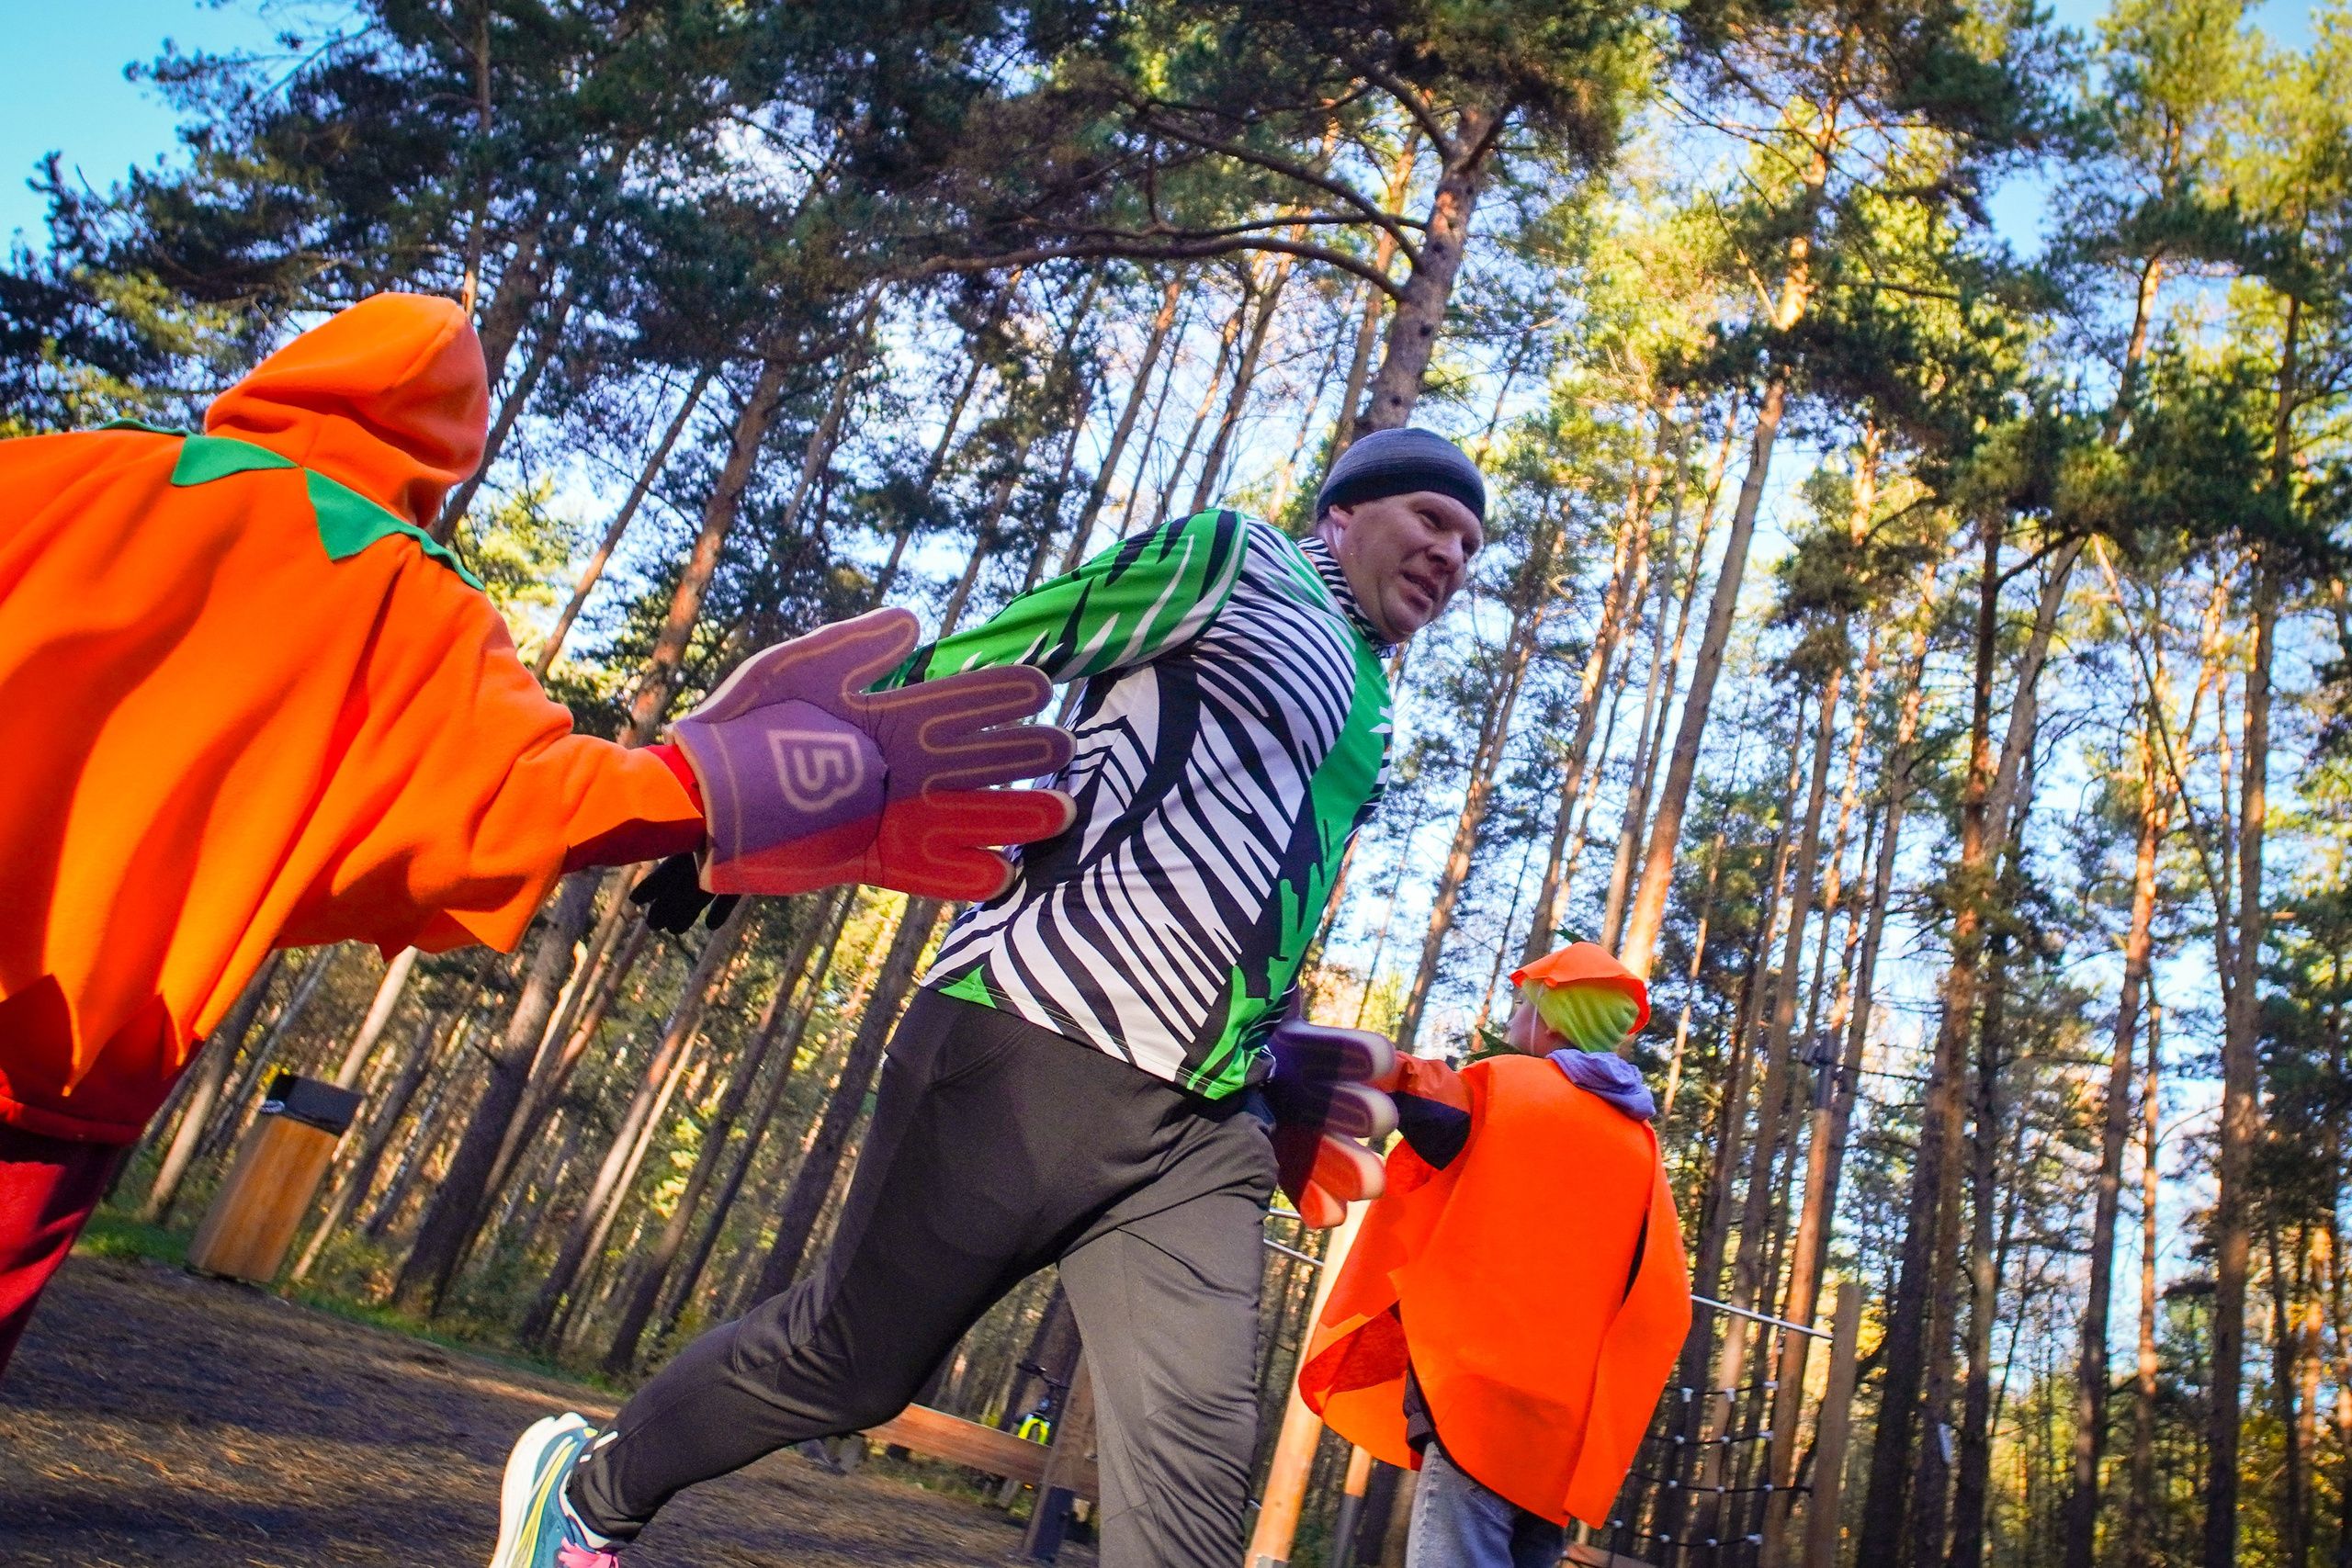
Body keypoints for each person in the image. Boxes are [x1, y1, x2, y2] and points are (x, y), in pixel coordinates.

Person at [0, 293, 1073, 1378]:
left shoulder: (56, 472)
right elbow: (510, 808)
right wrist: (731, 781)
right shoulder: (408, 601)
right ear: (451, 446)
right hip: (52, 1075)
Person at [489, 426, 1490, 1568]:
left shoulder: (1370, 700)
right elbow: (998, 658)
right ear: (1344, 514)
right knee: (846, 1366)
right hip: (1030, 1035)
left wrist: (1272, 1036)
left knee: (1194, 1473)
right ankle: (588, 1499)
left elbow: (1260, 874)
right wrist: (750, 790)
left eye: (1469, 544)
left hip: (1203, 1124)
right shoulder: (1231, 560)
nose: (1451, 555)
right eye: (1430, 520)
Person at [1297, 943, 1691, 1568]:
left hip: (1477, 1402)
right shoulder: (1641, 1148)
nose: (1511, 1019)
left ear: (1555, 1018)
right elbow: (1664, 1300)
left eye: (1522, 1005)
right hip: (1563, 1435)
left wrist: (1315, 1057)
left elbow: (1412, 1089)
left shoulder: (1509, 1087)